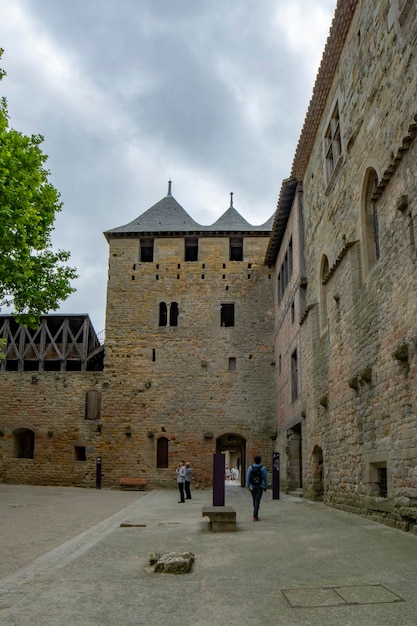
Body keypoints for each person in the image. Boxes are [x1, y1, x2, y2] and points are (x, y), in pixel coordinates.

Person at [247, 455, 267, 521]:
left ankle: (255, 514)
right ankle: (255, 516)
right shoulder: (263, 468)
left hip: (253, 486)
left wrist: (248, 485)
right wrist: (265, 486)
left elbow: (248, 477)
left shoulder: (250, 468)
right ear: (260, 461)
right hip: (260, 486)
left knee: (254, 500)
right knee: (257, 500)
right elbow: (265, 478)